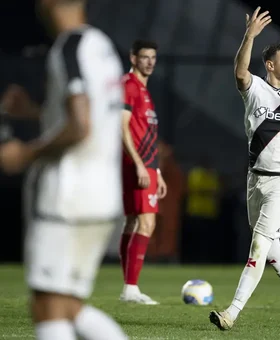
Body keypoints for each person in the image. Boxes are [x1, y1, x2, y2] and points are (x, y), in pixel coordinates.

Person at [0, 0, 127, 339]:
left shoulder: (69, 47)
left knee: (47, 307)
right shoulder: (103, 46)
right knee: (67, 306)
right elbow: (91, 116)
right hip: (102, 194)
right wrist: (34, 112)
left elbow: (81, 125)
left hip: (68, 194)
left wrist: (25, 154)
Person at [210, 6, 280, 330]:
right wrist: (249, 35)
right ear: (270, 64)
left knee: (259, 244)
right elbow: (239, 71)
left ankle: (230, 313)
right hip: (256, 180)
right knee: (273, 249)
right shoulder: (256, 90)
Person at [119, 40, 167, 304]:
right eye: (144, 57)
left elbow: (146, 134)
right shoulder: (129, 86)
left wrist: (156, 170)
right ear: (133, 58)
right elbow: (122, 126)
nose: (150, 61)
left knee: (132, 221)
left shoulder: (144, 91)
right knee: (147, 222)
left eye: (153, 57)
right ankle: (131, 288)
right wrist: (138, 163)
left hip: (146, 164)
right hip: (136, 163)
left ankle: (128, 287)